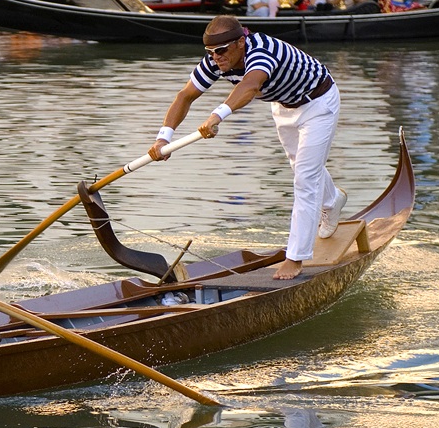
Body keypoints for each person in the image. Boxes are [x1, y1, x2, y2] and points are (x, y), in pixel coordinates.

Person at [147, 15, 345, 281]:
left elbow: (250, 86)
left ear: (241, 42)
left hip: (319, 102)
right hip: (284, 107)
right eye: (210, 52)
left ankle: (296, 257)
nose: (216, 57)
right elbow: (185, 96)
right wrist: (163, 138)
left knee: (305, 180)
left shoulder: (261, 51)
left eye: (221, 50)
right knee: (302, 168)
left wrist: (217, 116)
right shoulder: (216, 62)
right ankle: (332, 200)